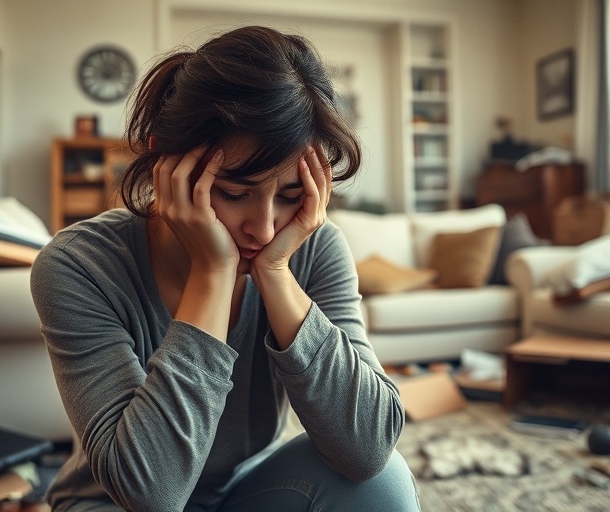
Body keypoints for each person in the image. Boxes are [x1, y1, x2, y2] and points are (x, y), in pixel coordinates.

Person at [30, 25, 420, 512]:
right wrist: (212, 272)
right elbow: (149, 493)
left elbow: (369, 449)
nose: (262, 228)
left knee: (381, 484)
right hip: (112, 505)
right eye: (234, 194)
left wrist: (276, 273)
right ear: (164, 163)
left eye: (290, 196)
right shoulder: (78, 266)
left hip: (240, 495)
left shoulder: (314, 249)